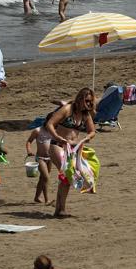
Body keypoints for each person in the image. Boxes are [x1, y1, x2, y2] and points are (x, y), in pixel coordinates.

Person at [42, 88, 97, 218]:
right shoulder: (67, 109)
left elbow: (92, 130)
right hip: (58, 146)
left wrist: (87, 137)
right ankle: (60, 210)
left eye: (91, 102)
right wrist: (57, 136)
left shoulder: (85, 114)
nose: (89, 104)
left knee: (67, 178)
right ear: (80, 99)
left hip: (74, 148)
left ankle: (60, 209)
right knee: (68, 174)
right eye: (87, 101)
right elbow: (50, 124)